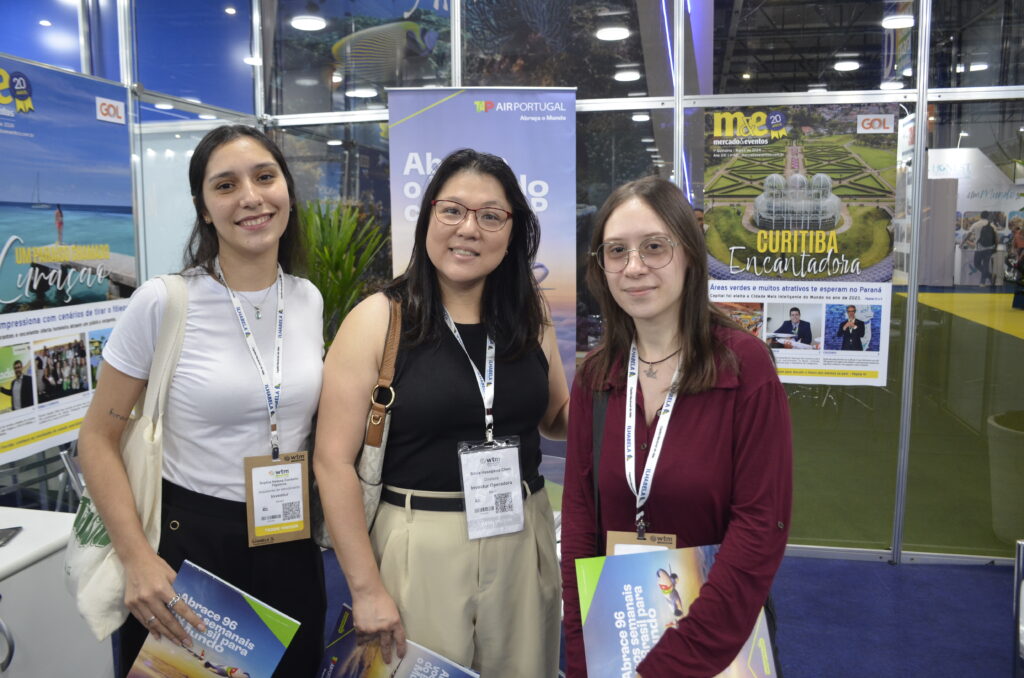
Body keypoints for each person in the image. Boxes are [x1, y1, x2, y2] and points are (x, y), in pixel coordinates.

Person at [78, 125, 325, 678]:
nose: (251, 197)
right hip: (190, 545)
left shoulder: (307, 298)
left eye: (265, 177)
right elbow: (96, 439)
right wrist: (137, 560)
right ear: (205, 209)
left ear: (286, 189)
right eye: (226, 185)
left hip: (289, 535)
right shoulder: (165, 301)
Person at [314, 148, 570, 677]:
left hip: (523, 536)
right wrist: (365, 588)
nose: (468, 229)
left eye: (490, 215)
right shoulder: (378, 320)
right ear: (428, 217)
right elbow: (332, 462)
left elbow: (556, 418)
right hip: (419, 540)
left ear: (513, 231)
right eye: (452, 210)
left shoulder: (529, 315)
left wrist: (636, 378)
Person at [560, 176, 792, 677]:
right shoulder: (597, 375)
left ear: (688, 253)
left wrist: (668, 666)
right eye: (616, 251)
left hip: (717, 642)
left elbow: (759, 530)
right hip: (617, 633)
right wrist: (580, 654)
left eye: (654, 247)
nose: (634, 267)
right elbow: (579, 524)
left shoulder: (744, 366)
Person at [964, 211, 997, 285]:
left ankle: (984, 280)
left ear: (980, 216)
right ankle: (987, 278)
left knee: (977, 264)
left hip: (979, 248)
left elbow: (968, 234)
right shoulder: (992, 225)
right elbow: (996, 237)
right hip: (989, 248)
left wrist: (963, 242)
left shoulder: (976, 224)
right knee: (986, 265)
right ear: (988, 216)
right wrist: (996, 247)